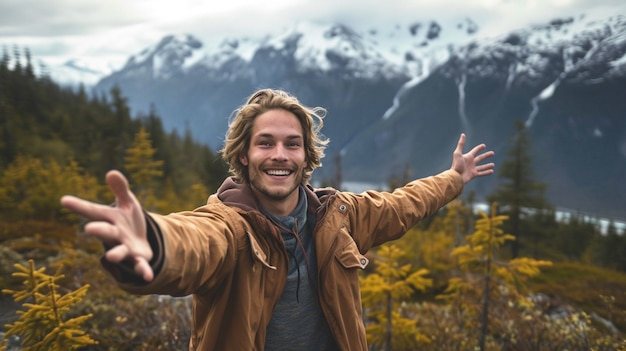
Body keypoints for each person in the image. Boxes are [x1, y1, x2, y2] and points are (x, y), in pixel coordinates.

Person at [61, 88, 495, 351]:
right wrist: (155, 242)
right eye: (265, 143)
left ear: (307, 156)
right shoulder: (230, 226)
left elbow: (405, 204)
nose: (280, 156)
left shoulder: (339, 216)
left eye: (292, 144)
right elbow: (195, 242)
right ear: (244, 155)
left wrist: (453, 178)